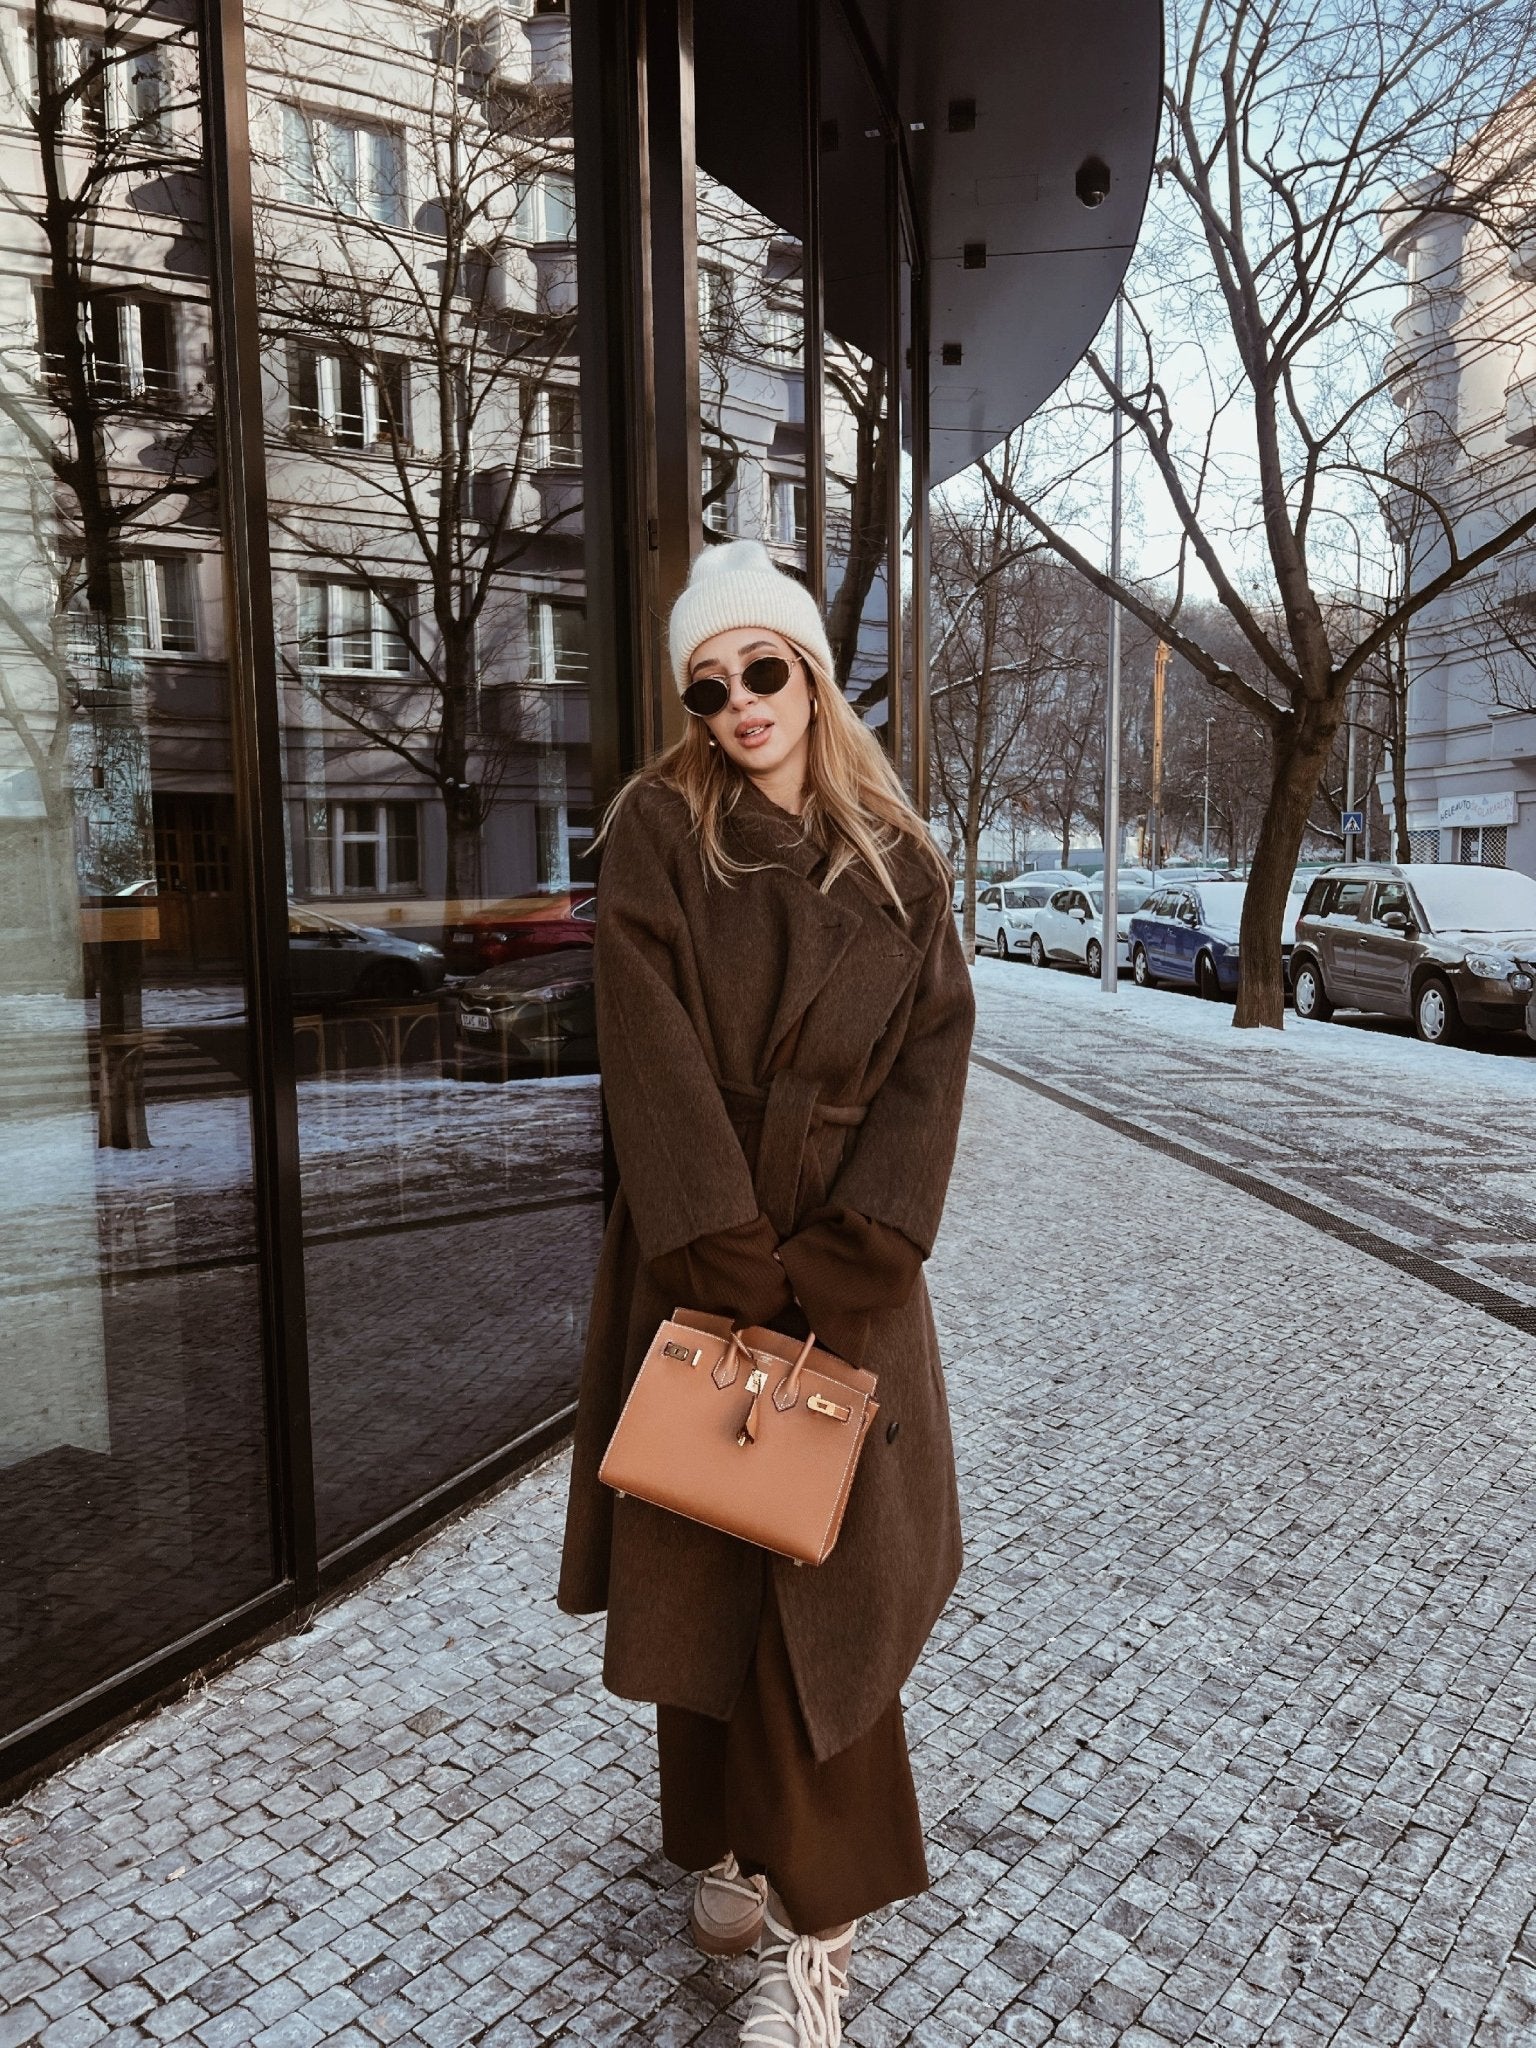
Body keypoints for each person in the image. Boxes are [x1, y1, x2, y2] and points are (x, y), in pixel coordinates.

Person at [558, 538, 975, 2046]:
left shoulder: (902, 858)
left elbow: (935, 1056)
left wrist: (853, 1255)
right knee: (712, 1554)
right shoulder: (659, 829)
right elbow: (648, 1051)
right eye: (708, 682)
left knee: (829, 1575)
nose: (739, 701)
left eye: (763, 668)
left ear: (811, 673)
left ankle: (822, 1921)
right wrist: (732, 1259)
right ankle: (730, 1839)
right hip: (701, 1255)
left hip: (852, 1269)